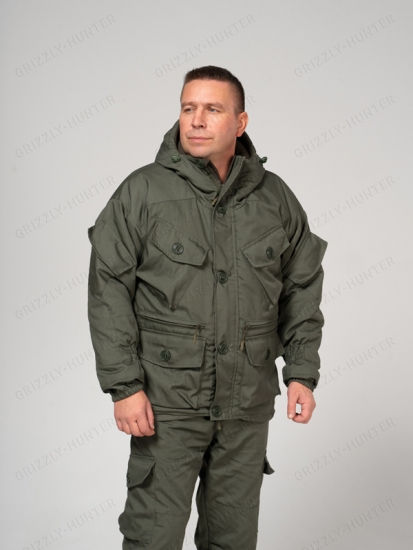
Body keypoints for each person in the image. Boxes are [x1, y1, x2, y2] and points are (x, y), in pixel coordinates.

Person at [87, 65, 328, 550]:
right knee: (153, 537)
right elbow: (108, 287)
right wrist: (124, 386)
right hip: (167, 401)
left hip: (247, 403)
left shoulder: (275, 198)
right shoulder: (142, 192)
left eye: (212, 109)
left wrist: (301, 371)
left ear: (240, 122)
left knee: (232, 541)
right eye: (188, 108)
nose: (196, 120)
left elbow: (301, 285)